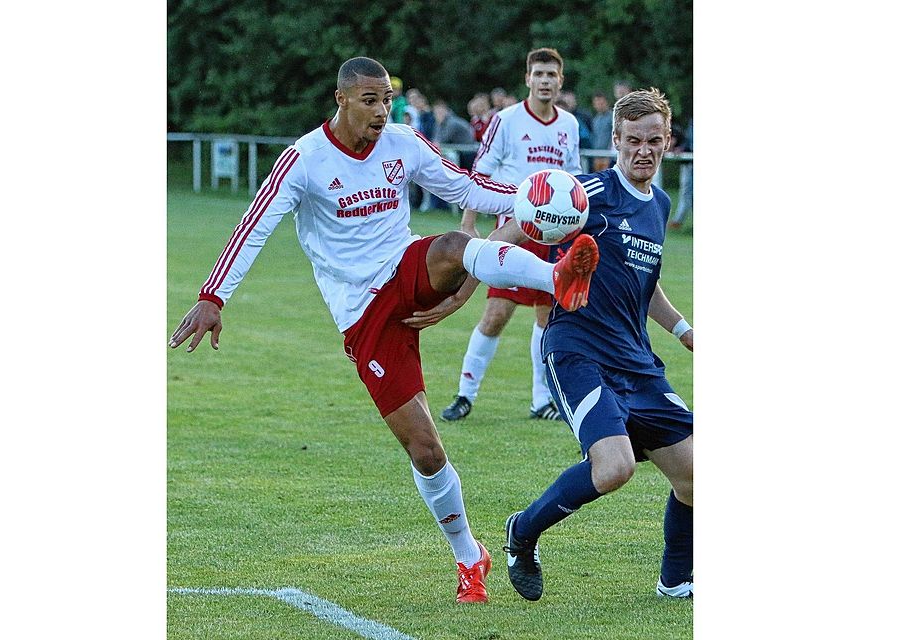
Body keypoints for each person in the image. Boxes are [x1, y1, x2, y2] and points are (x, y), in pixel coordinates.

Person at [167, 56, 600, 605]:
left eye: (386, 99)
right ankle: (470, 555)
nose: (381, 110)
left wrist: (525, 201)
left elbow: (464, 188)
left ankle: (556, 276)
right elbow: (254, 225)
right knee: (425, 449)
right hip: (361, 312)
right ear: (341, 99)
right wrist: (213, 295)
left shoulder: (404, 143)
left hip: (407, 269)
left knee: (449, 246)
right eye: (369, 100)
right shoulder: (305, 160)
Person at [495, 88, 694, 601]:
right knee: (614, 467)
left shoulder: (661, 205)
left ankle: (676, 581)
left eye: (653, 140)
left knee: (697, 476)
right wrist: (473, 262)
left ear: (668, 141)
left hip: (637, 360)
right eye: (632, 141)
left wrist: (684, 331)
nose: (643, 150)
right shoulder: (588, 193)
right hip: (578, 351)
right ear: (615, 141)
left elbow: (644, 285)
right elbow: (519, 222)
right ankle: (524, 531)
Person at [439, 47, 582, 423]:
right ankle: (464, 394)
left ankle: (541, 400)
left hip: (556, 234)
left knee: (546, 316)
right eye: (539, 74)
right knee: (495, 314)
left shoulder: (570, 124)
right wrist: (469, 222)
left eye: (552, 75)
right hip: (515, 228)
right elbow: (480, 171)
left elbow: (575, 180)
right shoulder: (506, 120)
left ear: (560, 81)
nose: (545, 81)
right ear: (528, 78)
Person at [669, 118, 693, 229]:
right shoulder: (691, 123)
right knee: (686, 191)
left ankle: (678, 220)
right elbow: (688, 141)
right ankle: (678, 220)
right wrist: (683, 148)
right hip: (688, 162)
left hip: (689, 160)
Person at [589, 90, 613, 172]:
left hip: (608, 155)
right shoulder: (595, 119)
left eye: (601, 103)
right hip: (596, 155)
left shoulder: (612, 117)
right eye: (597, 103)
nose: (599, 105)